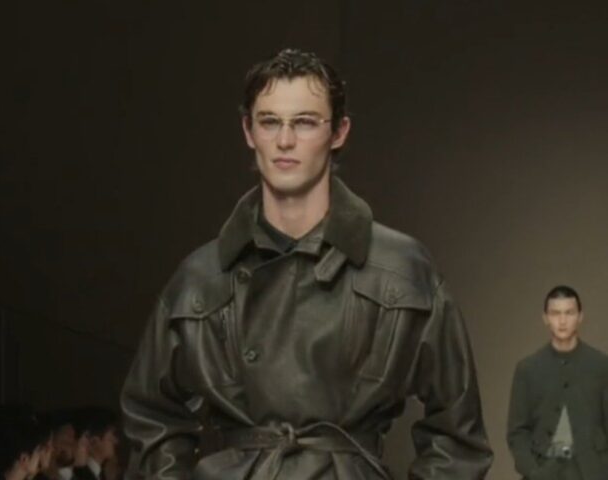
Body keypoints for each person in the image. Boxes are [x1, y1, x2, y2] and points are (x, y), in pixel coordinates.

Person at [121, 48, 492, 479]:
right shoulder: (201, 277)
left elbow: (458, 434)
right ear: (248, 131)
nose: (285, 141)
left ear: (339, 132)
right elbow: (150, 416)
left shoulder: (402, 268)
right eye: (269, 121)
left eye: (304, 122)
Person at [507, 285, 608, 480]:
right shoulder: (528, 369)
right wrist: (533, 471)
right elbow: (517, 431)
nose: (562, 321)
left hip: (593, 472)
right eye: (555, 313)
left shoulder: (601, 366)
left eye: (569, 313)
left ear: (580, 317)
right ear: (545, 318)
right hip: (542, 471)